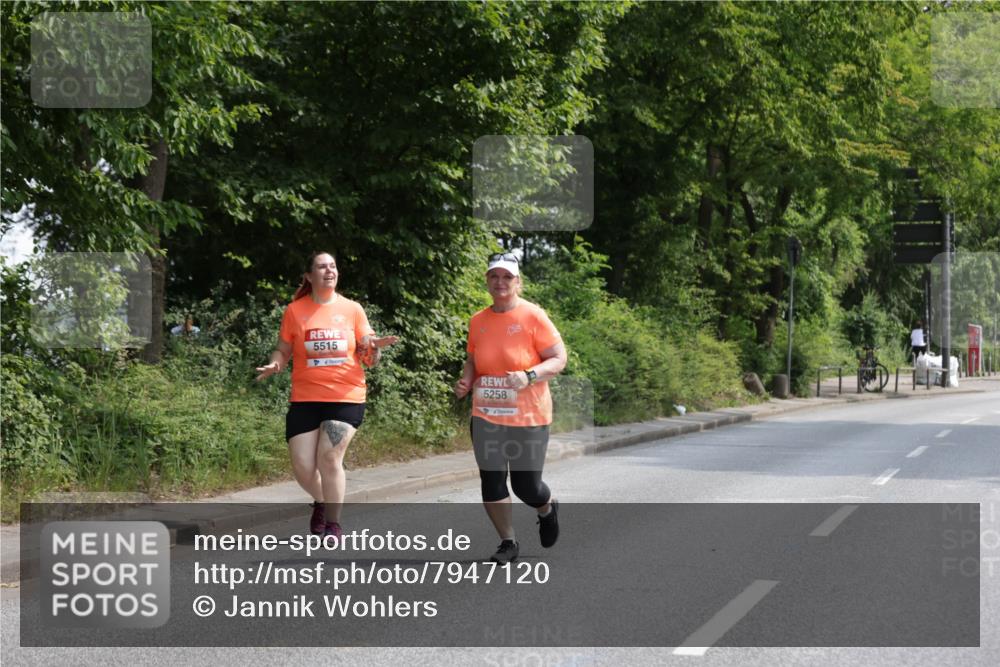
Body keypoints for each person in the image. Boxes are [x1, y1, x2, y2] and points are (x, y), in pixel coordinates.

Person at [256, 251, 398, 541]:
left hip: (345, 395)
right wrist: (276, 363)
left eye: (332, 266)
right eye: (322, 267)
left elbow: (368, 354)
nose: (329, 270)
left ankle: (333, 523)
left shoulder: (352, 309)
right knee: (303, 467)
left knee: (329, 457)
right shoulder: (295, 311)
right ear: (309, 276)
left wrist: (375, 347)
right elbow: (282, 349)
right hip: (305, 398)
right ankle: (324, 500)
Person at [454, 252, 568, 563]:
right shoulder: (478, 320)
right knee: (491, 479)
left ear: (517, 282)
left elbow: (559, 358)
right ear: (487, 281)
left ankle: (546, 508)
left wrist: (529, 375)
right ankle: (508, 542)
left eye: (507, 277)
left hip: (528, 415)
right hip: (486, 413)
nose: (500, 281)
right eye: (494, 276)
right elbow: (473, 360)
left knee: (526, 486)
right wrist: (466, 381)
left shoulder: (533, 316)